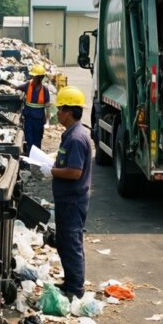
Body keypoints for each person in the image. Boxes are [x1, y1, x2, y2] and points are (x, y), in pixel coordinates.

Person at [50, 86, 93, 298]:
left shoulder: (76, 138)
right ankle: (70, 282)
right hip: (67, 199)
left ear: (68, 112)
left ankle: (76, 289)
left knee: (71, 242)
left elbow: (75, 172)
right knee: (65, 242)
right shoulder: (72, 134)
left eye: (59, 110)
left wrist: (51, 171)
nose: (57, 113)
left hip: (72, 200)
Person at [18, 65, 50, 156]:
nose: (33, 78)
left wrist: (48, 121)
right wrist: (10, 86)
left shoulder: (45, 89)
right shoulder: (28, 85)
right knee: (29, 140)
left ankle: (36, 158)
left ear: (40, 78)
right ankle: (29, 157)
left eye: (34, 76)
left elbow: (47, 107)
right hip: (29, 119)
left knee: (37, 141)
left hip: (39, 121)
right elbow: (18, 87)